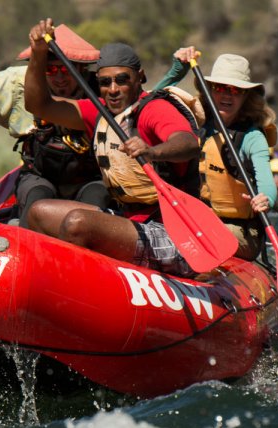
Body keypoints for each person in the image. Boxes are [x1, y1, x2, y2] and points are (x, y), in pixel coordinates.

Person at [22, 20, 202, 277]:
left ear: (139, 77)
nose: (113, 90)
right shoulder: (98, 112)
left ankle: (73, 286)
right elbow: (39, 105)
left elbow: (187, 143)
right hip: (128, 220)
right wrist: (38, 52)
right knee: (39, 213)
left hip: (172, 232)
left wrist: (153, 151)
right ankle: (43, 284)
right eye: (105, 83)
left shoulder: (153, 109)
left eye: (121, 80)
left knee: (77, 224)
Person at [0, 25, 107, 227]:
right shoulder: (19, 83)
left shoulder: (103, 90)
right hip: (39, 176)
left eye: (65, 69)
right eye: (51, 69)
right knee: (37, 201)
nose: (60, 78)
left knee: (96, 203)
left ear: (81, 69)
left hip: (91, 178)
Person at [150, 47, 277, 260]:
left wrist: (265, 199)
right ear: (210, 90)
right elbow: (151, 105)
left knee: (199, 239)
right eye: (220, 87)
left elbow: (266, 182)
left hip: (239, 231)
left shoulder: (252, 137)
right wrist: (176, 71)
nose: (227, 94)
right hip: (197, 223)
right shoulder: (196, 120)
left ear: (246, 96)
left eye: (236, 90)